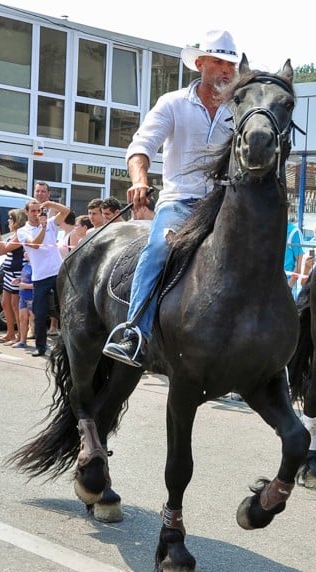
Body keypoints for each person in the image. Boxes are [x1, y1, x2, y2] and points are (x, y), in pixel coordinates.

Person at [103, 29, 239, 367]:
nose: (225, 70)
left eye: (231, 64)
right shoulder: (173, 103)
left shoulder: (240, 110)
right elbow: (141, 146)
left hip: (227, 204)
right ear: (200, 63)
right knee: (159, 250)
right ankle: (134, 332)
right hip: (182, 200)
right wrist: (139, 180)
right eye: (219, 62)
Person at [16, 199, 64, 356]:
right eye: (33, 211)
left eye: (39, 211)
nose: (37, 214)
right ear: (27, 212)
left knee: (62, 309)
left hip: (57, 272)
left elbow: (66, 212)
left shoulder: (50, 222)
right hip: (40, 276)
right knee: (40, 312)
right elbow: (35, 244)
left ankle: (67, 344)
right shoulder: (23, 231)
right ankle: (40, 346)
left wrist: (51, 204)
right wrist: (43, 227)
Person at [0, 209, 28, 345]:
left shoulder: (21, 235)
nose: (8, 221)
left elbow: (2, 250)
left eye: (10, 219)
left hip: (17, 272)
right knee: (5, 302)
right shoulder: (15, 234)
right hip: (9, 272)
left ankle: (20, 335)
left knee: (16, 304)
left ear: (16, 221)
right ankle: (10, 333)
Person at [13, 260, 34, 349]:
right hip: (23, 296)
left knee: (34, 320)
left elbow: (39, 284)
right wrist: (18, 280)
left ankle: (40, 342)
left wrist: (26, 286)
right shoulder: (26, 265)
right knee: (22, 318)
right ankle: (22, 341)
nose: (25, 253)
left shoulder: (36, 267)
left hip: (32, 297)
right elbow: (24, 278)